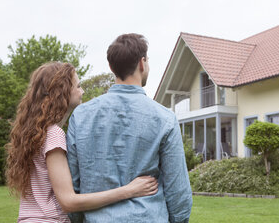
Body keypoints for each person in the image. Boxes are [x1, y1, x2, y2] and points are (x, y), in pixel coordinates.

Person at [5, 62, 158, 223]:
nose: (82, 91)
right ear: (61, 92)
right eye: (78, 86)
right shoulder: (53, 134)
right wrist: (129, 190)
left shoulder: (35, 133)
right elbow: (68, 202)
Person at [67, 33, 193, 222]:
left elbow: (73, 183)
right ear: (142, 63)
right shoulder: (164, 118)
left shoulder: (81, 115)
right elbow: (178, 190)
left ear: (111, 67)